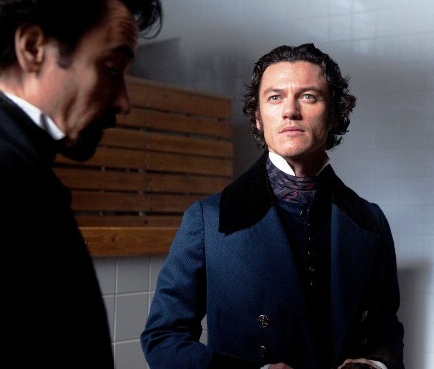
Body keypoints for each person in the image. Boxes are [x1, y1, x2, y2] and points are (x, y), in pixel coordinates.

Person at [141, 43, 405, 369]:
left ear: (335, 114)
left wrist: (376, 365)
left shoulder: (371, 221)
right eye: (275, 97)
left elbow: (387, 331)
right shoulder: (208, 219)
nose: (290, 110)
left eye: (308, 96)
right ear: (258, 117)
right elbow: (163, 338)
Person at [0, 0, 162, 367]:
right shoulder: (3, 175)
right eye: (111, 68)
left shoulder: (26, 167)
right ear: (32, 48)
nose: (124, 101)